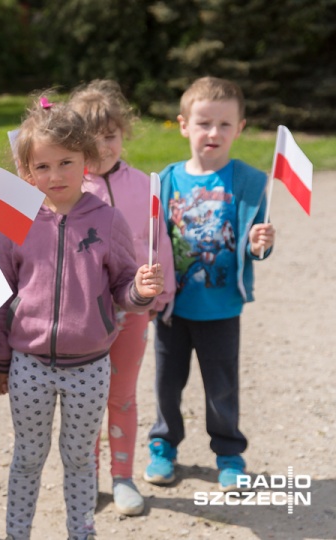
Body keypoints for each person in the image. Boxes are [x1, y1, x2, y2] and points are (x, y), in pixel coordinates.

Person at [0, 96, 164, 540]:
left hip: (89, 368)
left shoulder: (108, 220)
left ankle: (81, 532)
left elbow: (124, 288)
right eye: (42, 166)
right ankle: (17, 534)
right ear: (26, 171)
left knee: (79, 458)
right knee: (28, 456)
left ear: (86, 161)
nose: (54, 175)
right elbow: (1, 296)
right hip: (30, 366)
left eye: (65, 163)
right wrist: (2, 359)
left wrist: (140, 292)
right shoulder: (17, 221)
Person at [143, 76, 275, 492]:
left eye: (224, 124)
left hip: (221, 309)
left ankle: (229, 452)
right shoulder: (165, 181)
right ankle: (163, 444)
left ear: (241, 128)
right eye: (203, 123)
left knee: (222, 386)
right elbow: (150, 238)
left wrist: (259, 245)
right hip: (172, 308)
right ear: (184, 125)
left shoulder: (248, 183)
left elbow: (256, 245)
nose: (213, 133)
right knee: (167, 382)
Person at [68, 79, 176, 516]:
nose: (102, 146)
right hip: (84, 318)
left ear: (123, 134)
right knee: (86, 399)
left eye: (110, 135)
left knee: (123, 395)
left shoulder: (142, 185)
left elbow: (159, 238)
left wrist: (163, 290)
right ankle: (85, 480)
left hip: (133, 311)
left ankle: (123, 477)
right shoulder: (70, 187)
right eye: (91, 138)